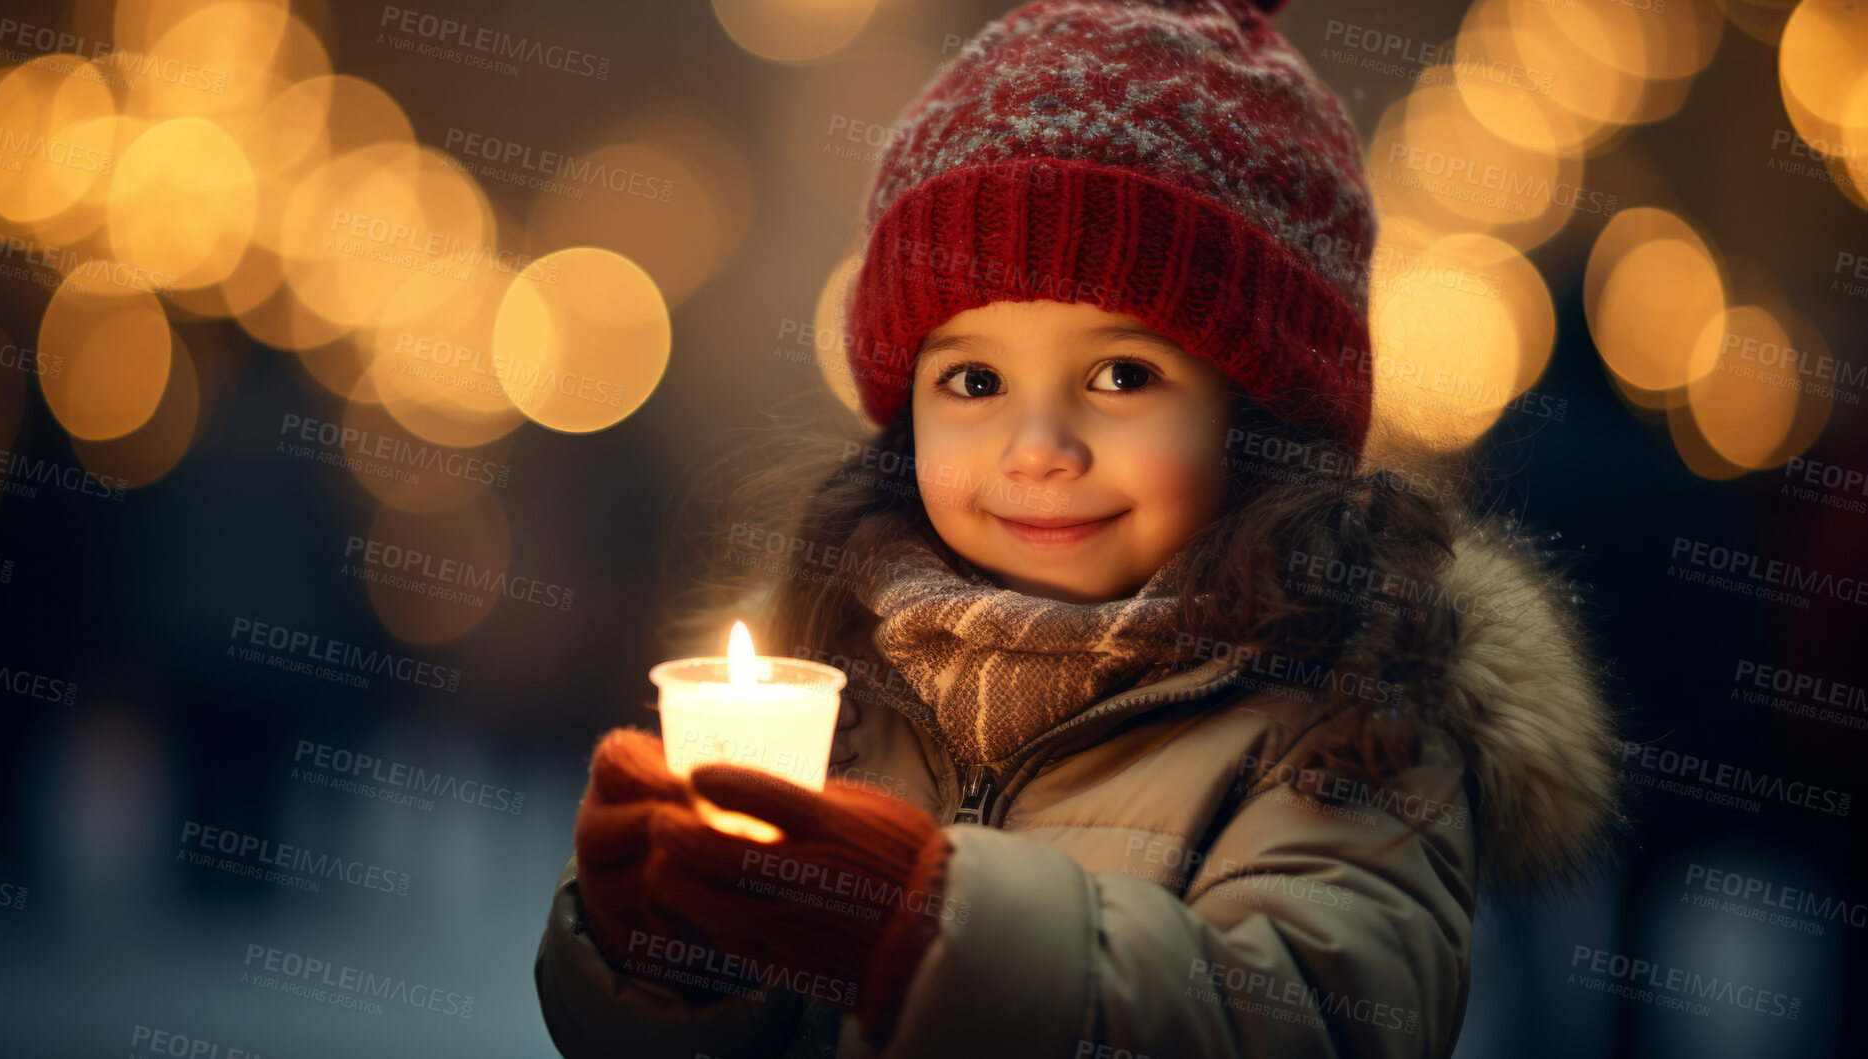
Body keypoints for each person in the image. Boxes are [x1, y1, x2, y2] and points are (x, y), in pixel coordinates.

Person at [535, 1, 1625, 1056]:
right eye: (972, 378)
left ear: (1257, 416)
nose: (1037, 446)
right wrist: (661, 961)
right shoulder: (848, 685)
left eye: (1118, 373)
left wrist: (926, 932)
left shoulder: (1351, 714)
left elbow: (1303, 1016)